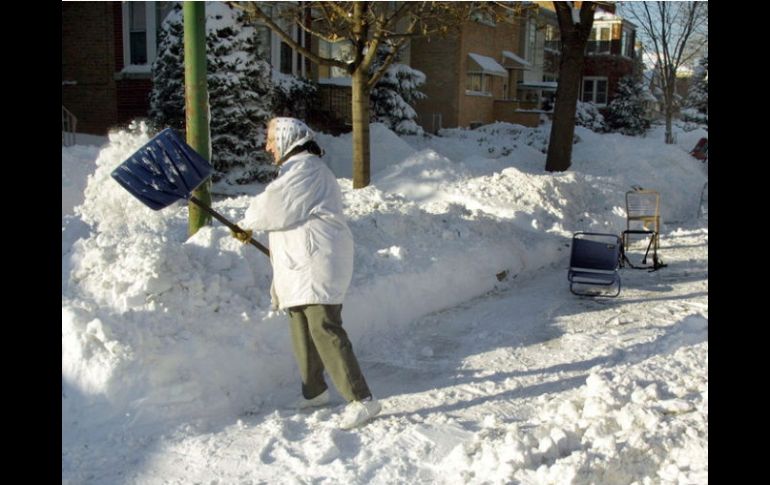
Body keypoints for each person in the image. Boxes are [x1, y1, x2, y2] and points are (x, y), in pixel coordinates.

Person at [233, 117, 381, 430]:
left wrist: (248, 221)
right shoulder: (294, 170)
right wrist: (252, 227)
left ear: (288, 139)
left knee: (324, 328)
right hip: (299, 265)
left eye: (272, 139)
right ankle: (314, 392)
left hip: (316, 264)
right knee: (301, 327)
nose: (268, 146)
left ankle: (361, 400)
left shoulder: (306, 169)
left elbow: (273, 207)